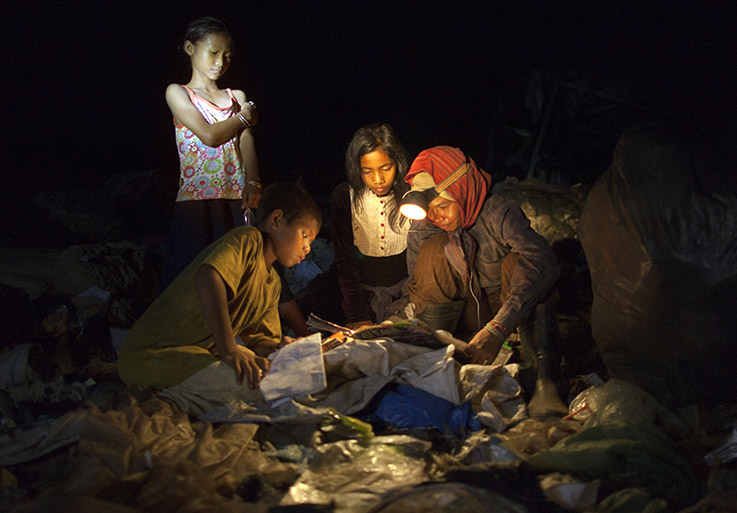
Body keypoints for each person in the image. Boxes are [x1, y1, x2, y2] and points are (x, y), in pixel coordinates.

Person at [118, 183, 321, 415]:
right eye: (304, 235)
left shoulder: (272, 282)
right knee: (260, 391)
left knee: (275, 382)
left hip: (195, 356)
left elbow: (260, 341)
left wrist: (283, 350)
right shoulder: (248, 240)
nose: (307, 248)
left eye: (311, 243)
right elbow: (208, 276)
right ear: (276, 220)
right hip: (151, 354)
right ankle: (160, 395)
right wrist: (228, 348)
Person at [402, 146, 566, 420]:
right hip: (463, 324)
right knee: (432, 252)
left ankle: (543, 380)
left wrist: (498, 328)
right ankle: (433, 363)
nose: (435, 216)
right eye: (429, 209)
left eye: (443, 206)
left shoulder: (495, 213)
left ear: (463, 193)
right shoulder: (426, 226)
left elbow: (544, 260)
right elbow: (415, 286)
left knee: (522, 264)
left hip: (507, 322)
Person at [160, 16, 263, 291]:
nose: (220, 62)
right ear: (190, 49)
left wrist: (253, 181)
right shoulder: (178, 93)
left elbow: (246, 141)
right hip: (196, 198)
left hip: (235, 195)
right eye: (213, 52)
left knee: (238, 274)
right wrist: (243, 118)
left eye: (227, 56)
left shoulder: (236, 96)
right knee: (190, 276)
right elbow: (209, 135)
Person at [330, 123, 411, 330]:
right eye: (368, 171)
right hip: (359, 295)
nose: (378, 180)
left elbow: (419, 263)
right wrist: (357, 313)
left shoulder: (411, 197)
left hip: (405, 294)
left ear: (398, 164)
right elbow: (344, 262)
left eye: (386, 168)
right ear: (357, 169)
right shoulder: (344, 198)